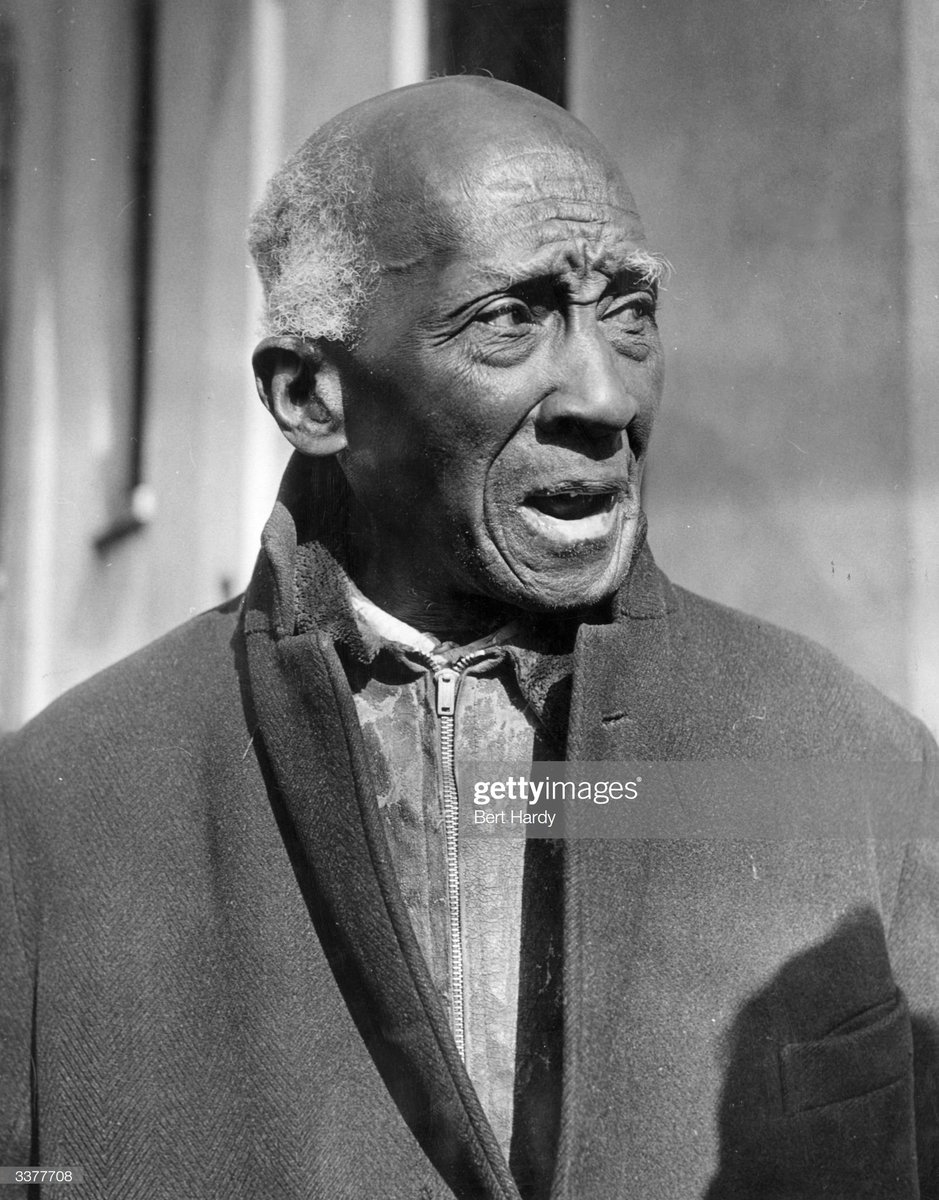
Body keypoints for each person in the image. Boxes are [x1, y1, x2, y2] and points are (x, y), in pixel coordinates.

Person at [1, 76, 936, 1200]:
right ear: (311, 396)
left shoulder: (851, 761)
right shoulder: (59, 813)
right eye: (510, 318)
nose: (604, 394)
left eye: (630, 312)